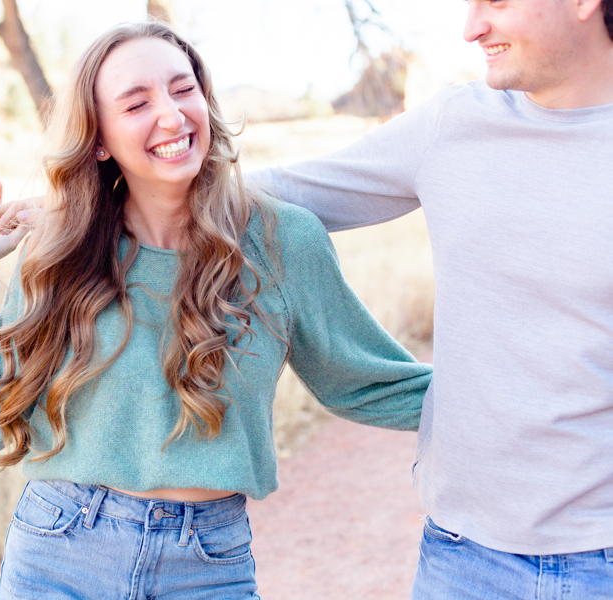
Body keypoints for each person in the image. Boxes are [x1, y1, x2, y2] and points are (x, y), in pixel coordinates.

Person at [0, 22, 431, 600]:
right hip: (57, 552)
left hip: (206, 563)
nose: (170, 115)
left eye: (182, 89)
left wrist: (523, 410)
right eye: (136, 103)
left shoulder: (281, 241)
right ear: (99, 139)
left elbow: (366, 382)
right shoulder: (63, 251)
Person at [247, 1, 613, 598]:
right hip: (462, 559)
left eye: (495, 2)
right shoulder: (453, 125)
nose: (471, 28)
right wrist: (92, 201)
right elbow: (281, 194)